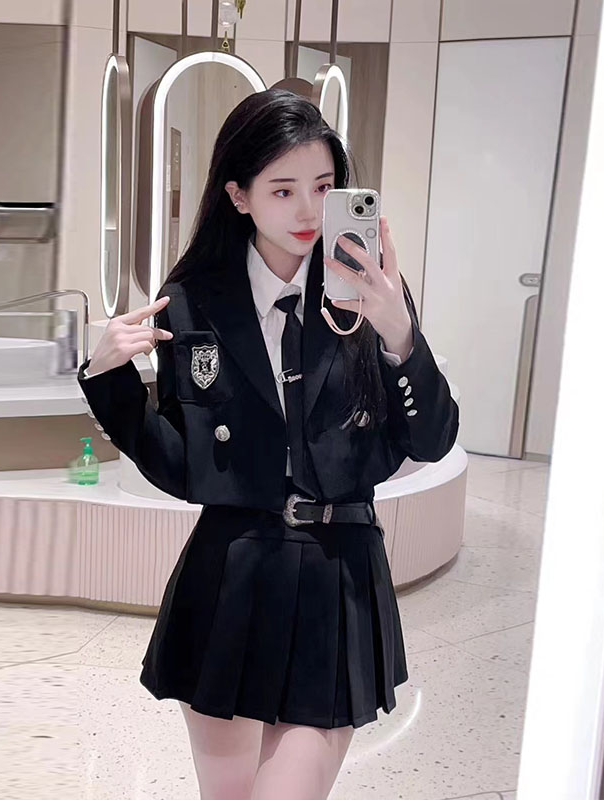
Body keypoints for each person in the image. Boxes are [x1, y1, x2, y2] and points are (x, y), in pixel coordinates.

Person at [78, 89, 459, 800]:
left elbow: (432, 439)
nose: (308, 210)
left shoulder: (368, 294)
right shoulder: (195, 299)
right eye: (282, 190)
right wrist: (109, 379)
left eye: (323, 186)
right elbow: (186, 468)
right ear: (239, 196)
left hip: (337, 572)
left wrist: (400, 334)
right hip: (231, 575)